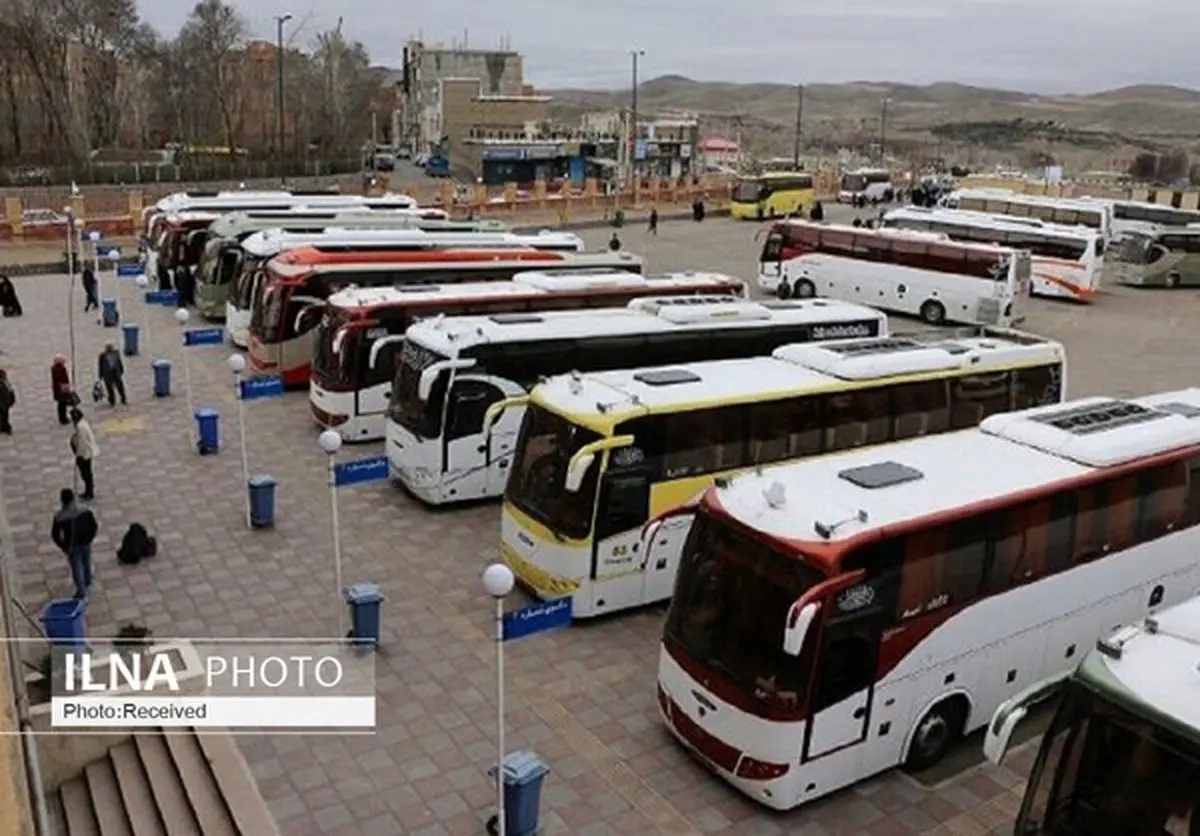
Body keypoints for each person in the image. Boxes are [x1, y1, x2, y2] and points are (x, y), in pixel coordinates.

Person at [51, 488, 98, 599]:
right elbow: (94, 526)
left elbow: (55, 535)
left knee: (77, 567)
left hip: (72, 545)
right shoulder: (85, 510)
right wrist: (90, 538)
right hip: (86, 542)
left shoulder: (60, 517)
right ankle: (87, 581)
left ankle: (81, 591)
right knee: (86, 562)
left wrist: (64, 546)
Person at [69, 408, 97, 500]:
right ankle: (88, 491)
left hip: (84, 454)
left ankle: (89, 492)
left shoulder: (80, 427)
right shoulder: (81, 424)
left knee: (86, 473)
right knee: (86, 473)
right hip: (85, 453)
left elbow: (82, 443)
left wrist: (78, 454)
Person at [51, 355, 73, 425]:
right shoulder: (61, 369)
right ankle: (63, 419)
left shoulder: (53, 368)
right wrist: (68, 388)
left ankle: (62, 417)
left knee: (61, 404)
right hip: (62, 389)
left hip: (57, 389)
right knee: (63, 404)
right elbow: (64, 379)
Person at [0, 369, 14, 434]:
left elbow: (10, 391)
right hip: (3, 403)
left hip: (5, 403)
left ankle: (4, 427)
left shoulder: (6, 383)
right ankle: (4, 427)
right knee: (4, 415)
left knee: (5, 415)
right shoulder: (4, 384)